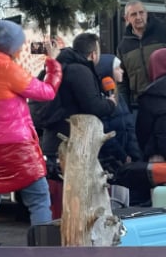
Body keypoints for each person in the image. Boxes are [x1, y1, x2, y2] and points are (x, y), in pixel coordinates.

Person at [0, 20, 62, 246]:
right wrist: (53, 62)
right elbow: (46, 92)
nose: (21, 48)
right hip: (16, 147)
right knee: (39, 200)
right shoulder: (7, 69)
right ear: (11, 46)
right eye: (20, 43)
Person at [36, 32, 117, 163]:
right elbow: (93, 106)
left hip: (52, 139)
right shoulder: (80, 71)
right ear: (93, 54)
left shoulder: (57, 67)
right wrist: (110, 104)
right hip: (71, 141)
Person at [115, 1, 166, 108]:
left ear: (146, 13)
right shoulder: (123, 47)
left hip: (165, 99)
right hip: (139, 104)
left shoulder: (164, 34)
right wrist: (125, 109)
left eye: (141, 12)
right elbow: (122, 82)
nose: (138, 17)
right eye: (133, 14)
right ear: (127, 18)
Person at [95, 53, 143, 171]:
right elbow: (104, 130)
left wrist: (133, 154)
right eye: (117, 68)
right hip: (110, 159)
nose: (121, 71)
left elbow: (128, 124)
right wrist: (122, 155)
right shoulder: (99, 99)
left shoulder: (118, 96)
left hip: (125, 156)